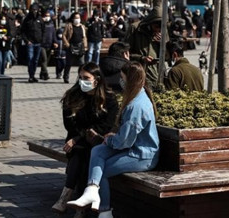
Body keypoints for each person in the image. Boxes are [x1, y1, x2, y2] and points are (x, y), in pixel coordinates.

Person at [67, 62, 160, 218]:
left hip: (141, 155)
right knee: (97, 150)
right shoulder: (136, 95)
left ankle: (105, 211)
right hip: (131, 148)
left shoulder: (136, 106)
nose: (120, 81)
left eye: (122, 78)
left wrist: (110, 140)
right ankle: (91, 190)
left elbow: (124, 141)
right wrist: (111, 138)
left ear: (130, 80)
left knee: (101, 171)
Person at [52, 63, 119, 214]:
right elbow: (70, 124)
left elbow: (105, 126)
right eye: (80, 77)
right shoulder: (73, 95)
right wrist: (79, 137)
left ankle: (69, 197)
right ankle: (78, 205)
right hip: (77, 141)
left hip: (97, 141)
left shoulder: (108, 99)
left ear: (97, 79)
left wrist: (78, 138)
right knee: (80, 153)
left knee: (86, 152)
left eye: (86, 78)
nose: (82, 81)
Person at [128, 8, 164, 91]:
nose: (158, 30)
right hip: (140, 73)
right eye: (156, 27)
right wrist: (142, 58)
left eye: (160, 28)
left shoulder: (162, 32)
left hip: (156, 74)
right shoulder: (135, 28)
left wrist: (161, 43)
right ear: (150, 23)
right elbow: (126, 53)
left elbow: (167, 55)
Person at [62, 12, 88, 84]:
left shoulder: (82, 26)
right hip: (71, 46)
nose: (77, 19)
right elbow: (63, 35)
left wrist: (85, 46)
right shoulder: (69, 26)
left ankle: (81, 77)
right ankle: (66, 77)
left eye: (78, 18)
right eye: (76, 18)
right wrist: (67, 44)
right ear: (73, 18)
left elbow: (84, 37)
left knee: (82, 64)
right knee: (68, 63)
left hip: (80, 46)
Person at [21, 4, 44, 83]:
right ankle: (31, 76)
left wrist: (42, 40)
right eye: (33, 10)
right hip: (30, 43)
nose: (34, 11)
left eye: (35, 10)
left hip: (38, 42)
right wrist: (27, 41)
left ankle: (33, 75)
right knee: (30, 59)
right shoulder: (27, 19)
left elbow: (43, 30)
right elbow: (22, 31)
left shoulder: (40, 19)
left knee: (36, 60)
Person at [39, 10, 59, 81]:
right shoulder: (40, 24)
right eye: (46, 16)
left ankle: (41, 74)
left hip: (49, 45)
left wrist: (55, 42)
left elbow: (53, 34)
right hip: (42, 45)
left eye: (48, 16)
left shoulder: (51, 24)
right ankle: (46, 74)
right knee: (44, 59)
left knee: (46, 61)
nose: (47, 17)